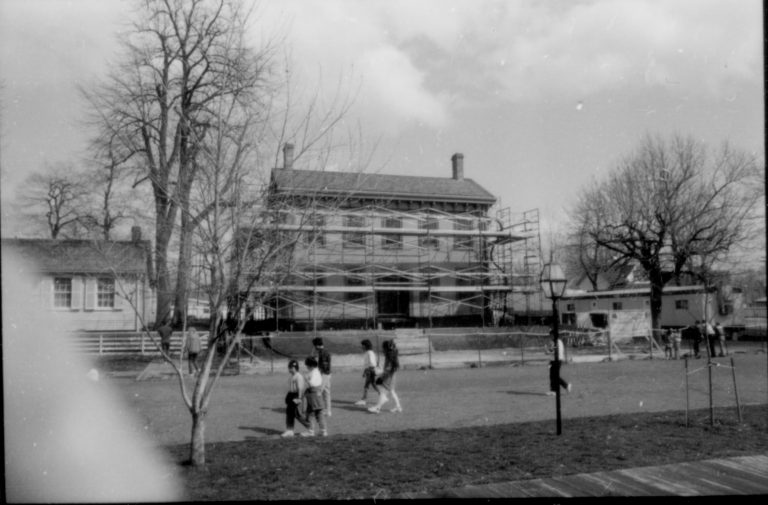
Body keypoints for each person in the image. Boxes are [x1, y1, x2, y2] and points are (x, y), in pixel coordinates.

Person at [368, 339, 402, 413]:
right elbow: (390, 368)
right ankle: (398, 407)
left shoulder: (389, 357)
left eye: (383, 348)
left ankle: (377, 408)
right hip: (391, 377)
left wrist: (379, 374)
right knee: (392, 391)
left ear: (386, 349)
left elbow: (388, 369)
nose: (382, 350)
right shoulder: (392, 355)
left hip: (389, 378)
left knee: (383, 391)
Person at [281, 360, 311, 438]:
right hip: (291, 395)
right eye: (289, 367)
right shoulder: (292, 376)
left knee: (297, 414)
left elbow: (300, 388)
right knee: (289, 412)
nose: (289, 369)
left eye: (291, 367)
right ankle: (289, 430)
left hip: (296, 395)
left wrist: (299, 398)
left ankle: (310, 427)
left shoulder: (298, 376)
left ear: (295, 368)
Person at [299, 356, 327, 437]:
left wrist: (306, 379)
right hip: (318, 395)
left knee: (310, 413)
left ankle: (311, 431)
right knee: (319, 413)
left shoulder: (314, 373)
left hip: (313, 396)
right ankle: (323, 431)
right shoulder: (316, 371)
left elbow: (311, 384)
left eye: (307, 365)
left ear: (310, 365)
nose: (306, 367)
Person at [355, 339, 380, 406]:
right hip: (369, 371)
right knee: (372, 384)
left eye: (362, 345)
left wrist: (367, 370)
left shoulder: (369, 353)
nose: (362, 347)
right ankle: (381, 395)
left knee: (367, 385)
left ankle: (364, 399)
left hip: (370, 371)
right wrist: (365, 371)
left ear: (366, 346)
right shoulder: (368, 352)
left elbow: (372, 363)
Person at [312, 337, 332, 417]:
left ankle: (317, 409)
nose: (314, 347)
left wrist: (319, 372)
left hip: (324, 374)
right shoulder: (322, 352)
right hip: (327, 374)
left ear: (317, 345)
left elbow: (324, 365)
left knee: (318, 391)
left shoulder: (323, 353)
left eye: (314, 346)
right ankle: (328, 411)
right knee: (326, 393)